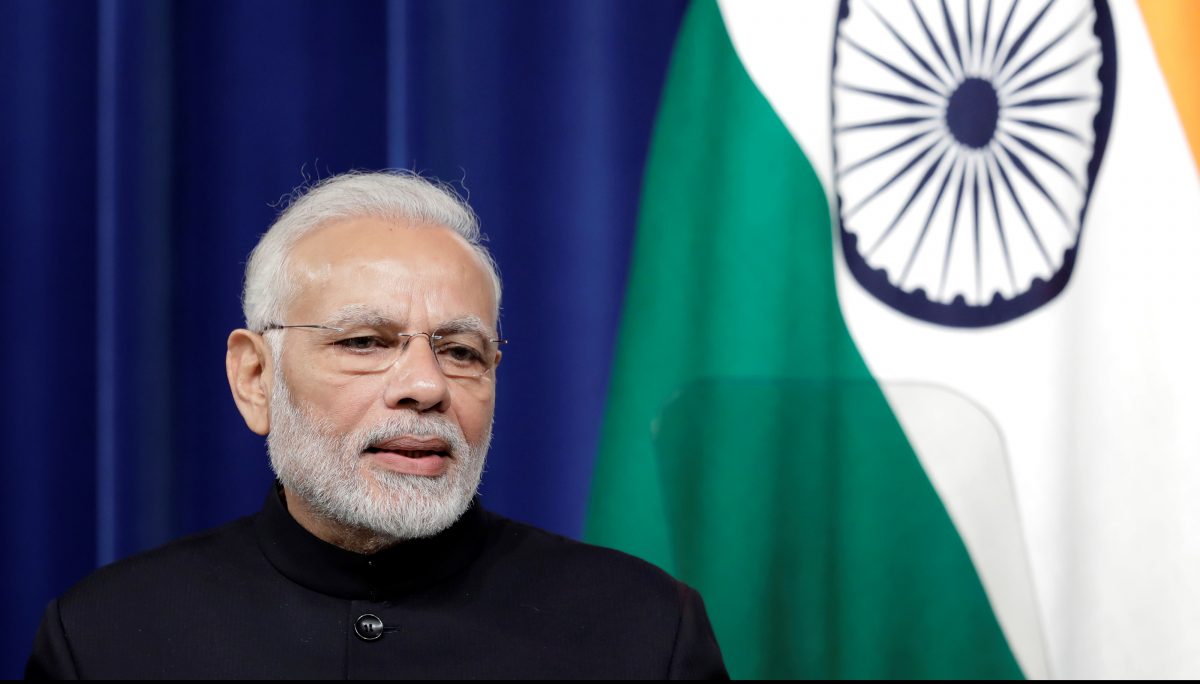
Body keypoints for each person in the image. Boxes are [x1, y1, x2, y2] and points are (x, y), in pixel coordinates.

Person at [25, 172, 728, 679]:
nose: (426, 387)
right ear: (256, 378)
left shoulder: (644, 633)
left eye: (461, 352)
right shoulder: (104, 639)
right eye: (364, 342)